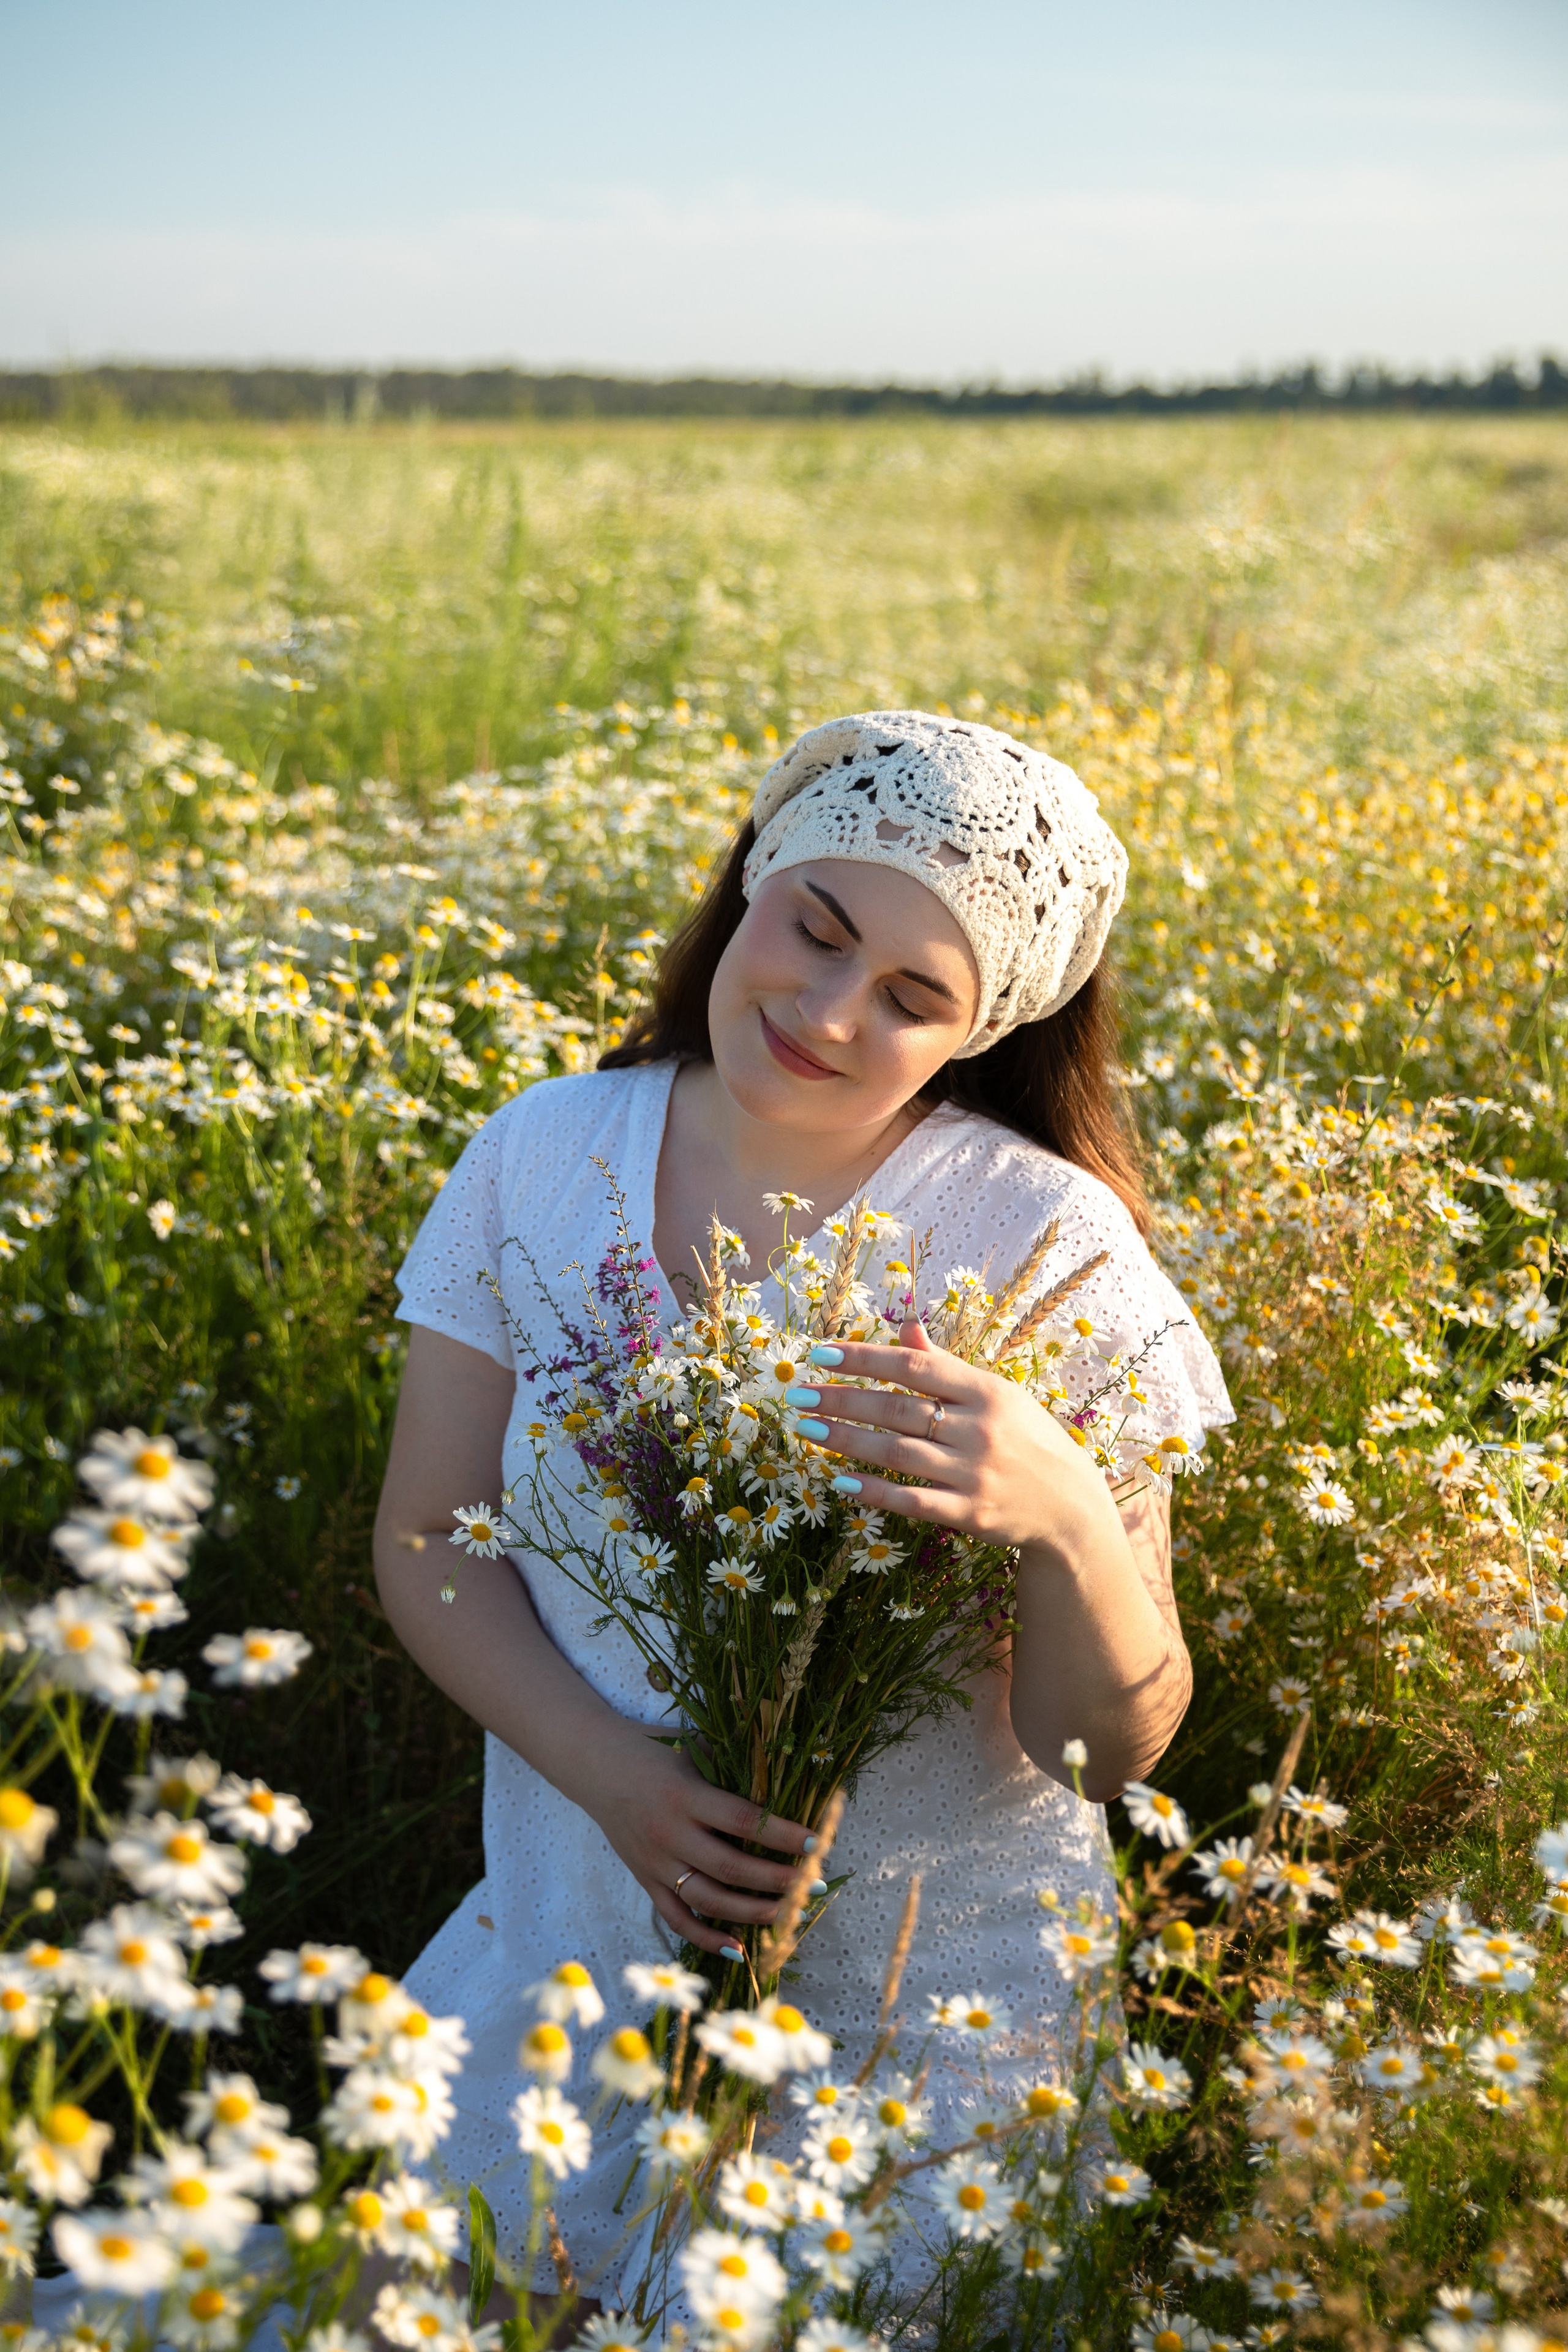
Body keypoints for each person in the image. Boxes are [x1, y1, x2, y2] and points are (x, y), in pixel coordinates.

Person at [374, 710, 1234, 2309]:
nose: (831, 1012)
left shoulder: (1046, 1245)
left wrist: (1061, 1508)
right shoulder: (541, 1158)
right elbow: (431, 1538)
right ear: (752, 879)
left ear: (983, 1028)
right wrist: (619, 1782)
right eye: (817, 930)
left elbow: (1103, 1751)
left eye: (914, 997)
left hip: (921, 2023)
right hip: (580, 1933)